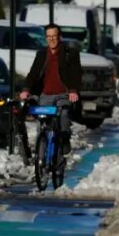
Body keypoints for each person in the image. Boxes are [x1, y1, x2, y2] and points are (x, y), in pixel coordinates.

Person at [20, 24, 81, 154]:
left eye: (54, 36)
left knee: (63, 116)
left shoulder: (70, 54)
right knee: (42, 127)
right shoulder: (42, 55)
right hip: (45, 96)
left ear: (60, 37)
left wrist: (73, 90)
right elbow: (33, 74)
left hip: (63, 95)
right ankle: (41, 160)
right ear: (46, 38)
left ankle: (64, 141)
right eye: (49, 37)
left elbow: (76, 74)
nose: (52, 39)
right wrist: (26, 89)